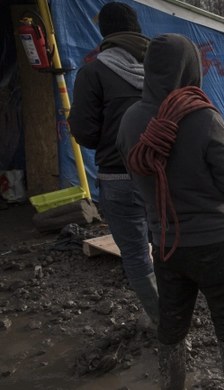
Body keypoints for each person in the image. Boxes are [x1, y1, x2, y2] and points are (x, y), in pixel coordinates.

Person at [116, 34, 224, 389]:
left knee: (171, 326)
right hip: (215, 244)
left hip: (166, 245)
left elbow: (136, 175)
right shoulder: (203, 116)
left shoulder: (131, 120)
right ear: (191, 68)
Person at [69, 2, 159, 327]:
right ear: (136, 29)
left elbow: (84, 131)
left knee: (136, 253)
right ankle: (178, 310)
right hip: (162, 175)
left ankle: (163, 321)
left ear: (105, 33)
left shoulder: (93, 72)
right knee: (165, 243)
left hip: (118, 176)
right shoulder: (161, 68)